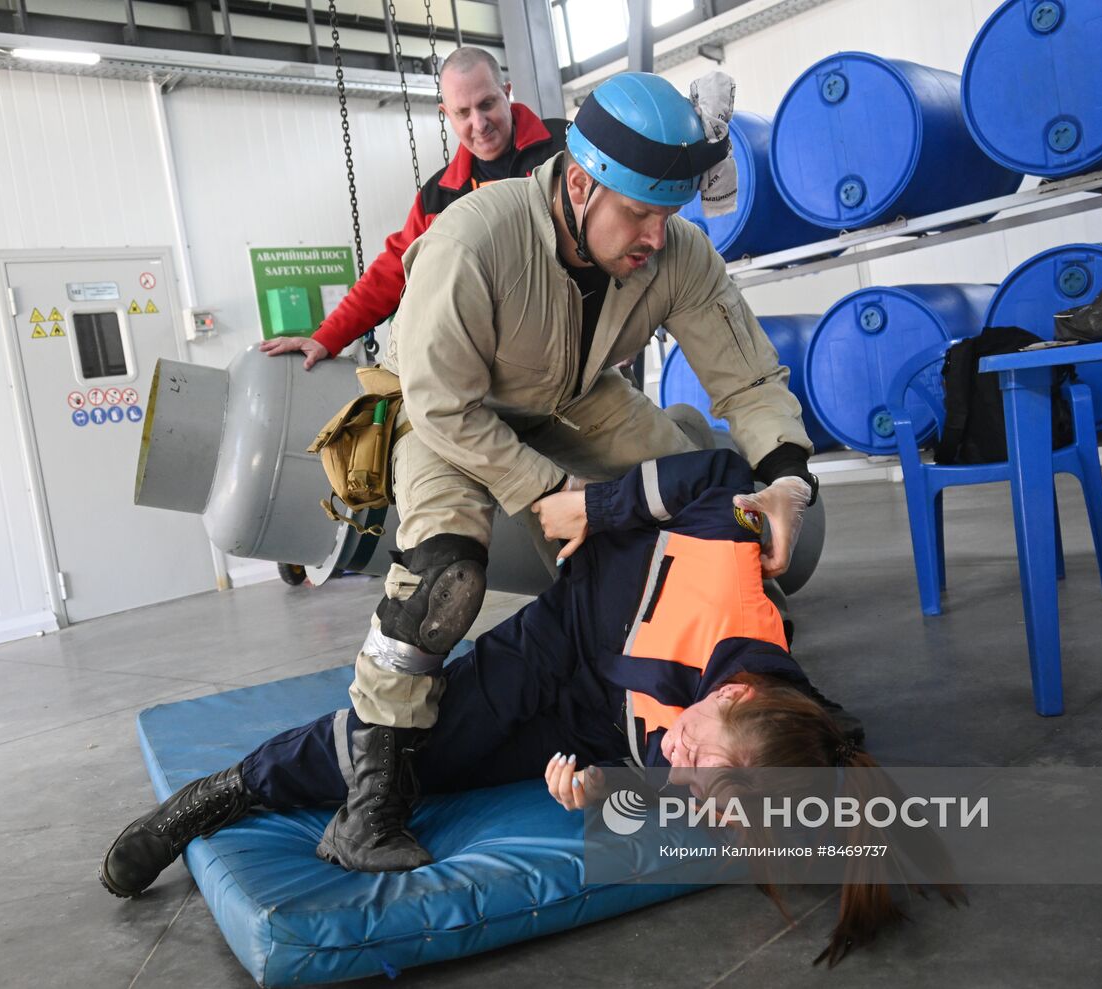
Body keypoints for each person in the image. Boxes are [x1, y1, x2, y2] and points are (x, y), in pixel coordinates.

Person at [101, 451, 948, 965]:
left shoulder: (734, 748)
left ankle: (251, 788)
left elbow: (673, 779)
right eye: (700, 762)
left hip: (581, 721)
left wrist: (599, 793)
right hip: (558, 638)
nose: (683, 773)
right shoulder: (730, 572)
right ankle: (222, 793)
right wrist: (598, 507)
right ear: (733, 693)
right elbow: (716, 473)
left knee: (434, 773)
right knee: (398, 742)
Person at [337, 70, 822, 872]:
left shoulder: (675, 251)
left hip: (572, 394)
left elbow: (749, 380)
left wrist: (787, 483)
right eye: (638, 213)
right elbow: (441, 405)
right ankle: (374, 790)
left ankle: (717, 689)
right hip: (448, 411)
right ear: (578, 184)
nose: (656, 237)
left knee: (714, 503)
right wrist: (550, 494)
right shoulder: (472, 239)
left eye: (668, 216)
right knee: (443, 577)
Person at [258, 47, 566, 369]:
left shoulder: (568, 146)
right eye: (463, 112)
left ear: (506, 93)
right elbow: (394, 269)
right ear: (447, 113)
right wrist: (327, 336)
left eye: (487, 104)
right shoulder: (439, 198)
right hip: (514, 359)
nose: (479, 123)